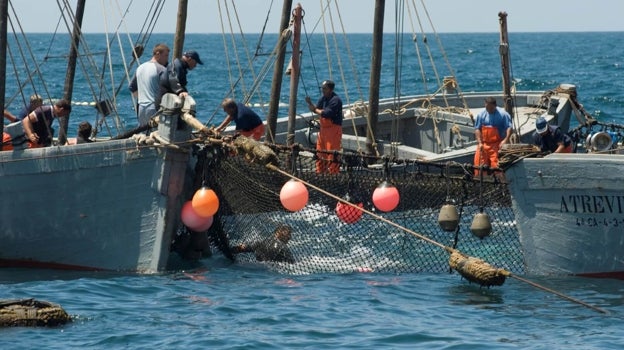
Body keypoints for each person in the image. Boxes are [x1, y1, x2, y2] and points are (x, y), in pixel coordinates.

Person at [305, 79, 343, 174]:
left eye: (324, 88)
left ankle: (333, 173)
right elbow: (317, 109)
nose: (322, 90)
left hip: (333, 130)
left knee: (332, 154)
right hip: (323, 131)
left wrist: (314, 109)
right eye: (322, 88)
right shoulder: (323, 98)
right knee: (320, 152)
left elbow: (326, 113)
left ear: (330, 89)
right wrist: (311, 105)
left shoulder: (336, 100)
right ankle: (320, 172)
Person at [129, 43, 170, 126]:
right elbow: (167, 88)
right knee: (158, 135)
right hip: (154, 108)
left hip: (141, 108)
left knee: (144, 136)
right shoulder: (161, 69)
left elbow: (131, 87)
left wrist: (142, 96)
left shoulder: (140, 68)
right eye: (166, 56)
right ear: (158, 54)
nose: (167, 59)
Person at [473, 97, 512, 175]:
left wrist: (505, 140)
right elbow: (477, 129)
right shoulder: (481, 115)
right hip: (484, 144)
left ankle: (499, 181)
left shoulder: (503, 114)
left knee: (497, 167)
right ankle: (480, 180)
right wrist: (480, 142)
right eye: (487, 107)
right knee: (478, 165)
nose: (488, 110)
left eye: (490, 108)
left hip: (497, 144)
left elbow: (509, 127)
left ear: (495, 106)